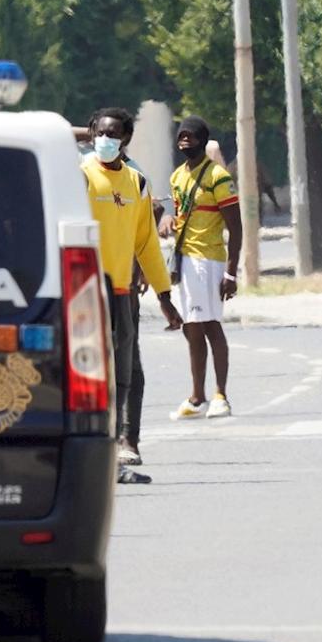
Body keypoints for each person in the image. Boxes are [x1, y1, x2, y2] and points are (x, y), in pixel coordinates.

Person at [81, 107, 185, 483]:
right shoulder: (79, 177)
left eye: (114, 135)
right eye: (101, 133)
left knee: (123, 373)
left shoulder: (137, 183)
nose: (106, 140)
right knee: (89, 375)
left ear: (125, 141)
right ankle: (93, 455)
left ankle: (117, 452)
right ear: (92, 133)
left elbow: (146, 245)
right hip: (84, 293)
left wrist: (165, 296)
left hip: (123, 291)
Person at [167, 116, 242, 420]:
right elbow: (181, 216)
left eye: (190, 136)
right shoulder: (176, 177)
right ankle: (197, 396)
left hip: (208, 260)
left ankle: (220, 395)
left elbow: (236, 228)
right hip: (186, 259)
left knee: (210, 325)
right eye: (181, 136)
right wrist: (168, 222)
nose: (185, 140)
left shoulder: (218, 177)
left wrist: (231, 272)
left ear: (202, 139)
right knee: (192, 326)